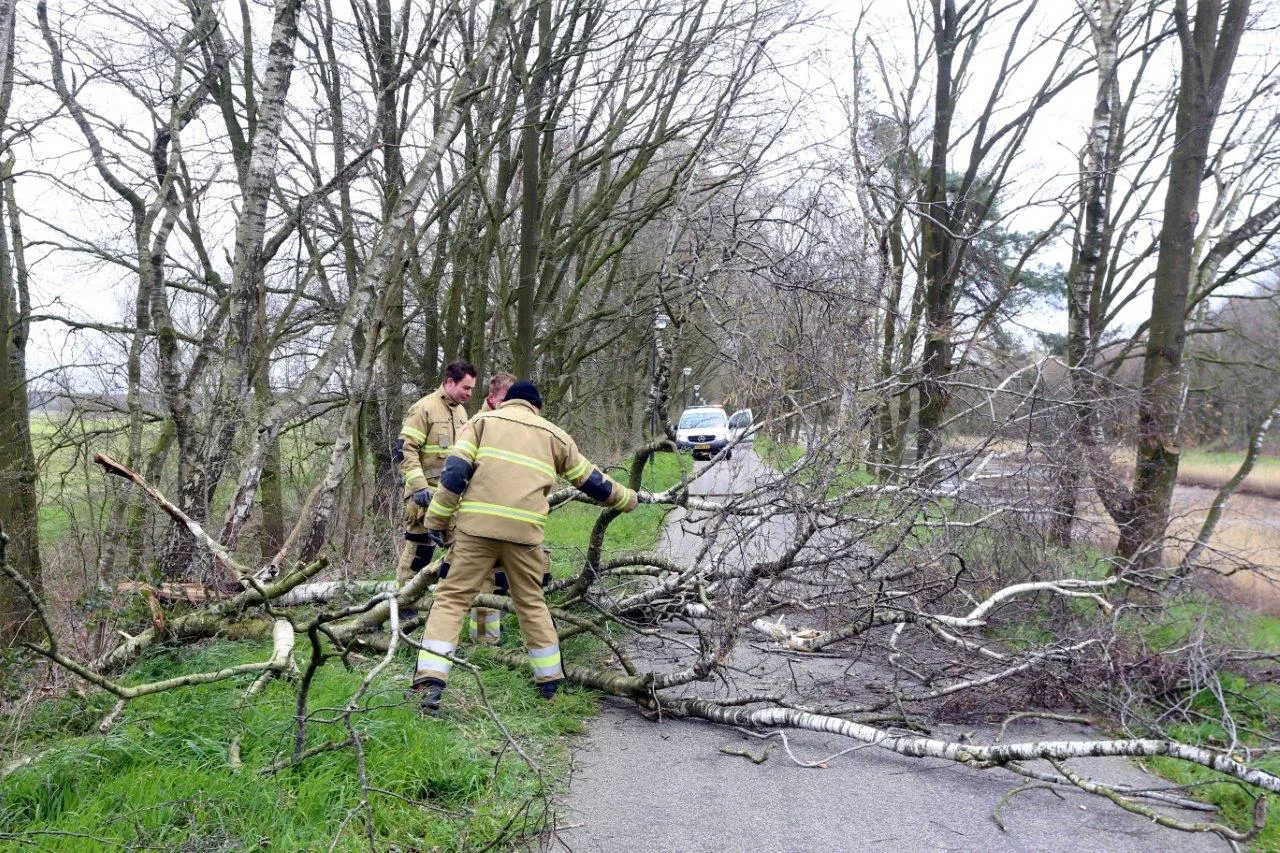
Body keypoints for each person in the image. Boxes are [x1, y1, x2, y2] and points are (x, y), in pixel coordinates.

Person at [411, 380, 638, 711]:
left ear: (506, 402)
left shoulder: (481, 423)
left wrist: (437, 521)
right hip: (525, 537)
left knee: (451, 600)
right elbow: (593, 482)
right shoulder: (554, 435)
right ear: (536, 407)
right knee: (532, 604)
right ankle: (549, 685)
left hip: (476, 532)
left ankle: (430, 683)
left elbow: (454, 474)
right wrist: (629, 499)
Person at [393, 360, 476, 590]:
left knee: (461, 546)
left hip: (449, 495)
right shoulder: (424, 408)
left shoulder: (461, 412)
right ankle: (404, 606)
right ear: (450, 382)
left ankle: (449, 597)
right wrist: (418, 486)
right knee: (419, 552)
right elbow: (404, 449)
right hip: (424, 496)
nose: (469, 394)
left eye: (472, 389)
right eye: (466, 388)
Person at [466, 371, 517, 645]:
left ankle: (494, 628)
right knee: (484, 578)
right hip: (481, 515)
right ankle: (484, 640)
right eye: (506, 399)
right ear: (492, 399)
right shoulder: (479, 425)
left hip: (506, 513)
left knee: (500, 576)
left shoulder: (511, 426)